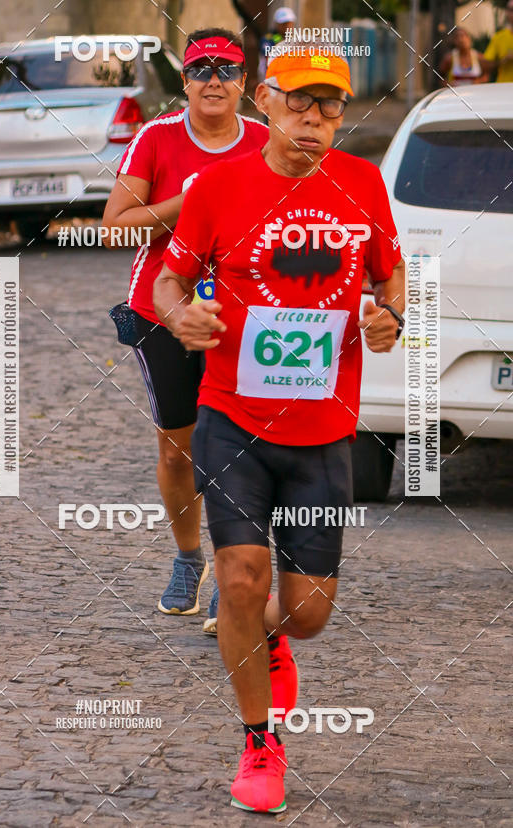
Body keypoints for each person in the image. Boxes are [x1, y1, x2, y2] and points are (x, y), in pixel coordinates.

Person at [154, 48, 405, 813]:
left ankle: (273, 635)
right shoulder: (219, 186)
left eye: (330, 107)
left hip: (326, 430)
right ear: (265, 101)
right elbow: (171, 276)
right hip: (232, 418)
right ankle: (260, 743)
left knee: (307, 612)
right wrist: (179, 314)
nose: (315, 120)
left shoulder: (362, 184)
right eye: (300, 103)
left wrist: (389, 316)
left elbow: (389, 276)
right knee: (238, 580)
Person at [103, 29, 268, 633]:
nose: (214, 80)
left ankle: (234, 572)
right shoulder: (157, 139)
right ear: (185, 81)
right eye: (201, 69)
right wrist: (189, 202)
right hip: (161, 311)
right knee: (178, 446)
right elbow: (116, 226)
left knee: (240, 445)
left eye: (227, 69)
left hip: (246, 315)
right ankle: (188, 556)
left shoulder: (265, 142)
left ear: (245, 83)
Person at [258, 6, 297, 81]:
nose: (287, 26)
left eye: (289, 23)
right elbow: (269, 59)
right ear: (277, 24)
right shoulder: (268, 39)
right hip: (271, 78)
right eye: (284, 24)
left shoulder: (295, 39)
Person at [484, 0, 513, 83]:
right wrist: (503, 60)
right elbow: (486, 66)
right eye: (510, 9)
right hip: (503, 89)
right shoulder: (498, 37)